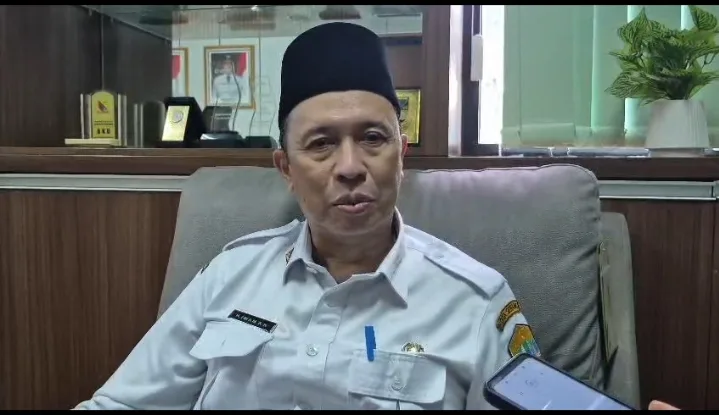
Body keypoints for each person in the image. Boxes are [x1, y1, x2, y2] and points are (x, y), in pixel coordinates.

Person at [74, 23, 678, 411]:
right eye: (320, 145)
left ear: (401, 153)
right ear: (286, 167)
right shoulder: (228, 276)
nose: (350, 167)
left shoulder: (475, 301)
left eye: (372, 138)